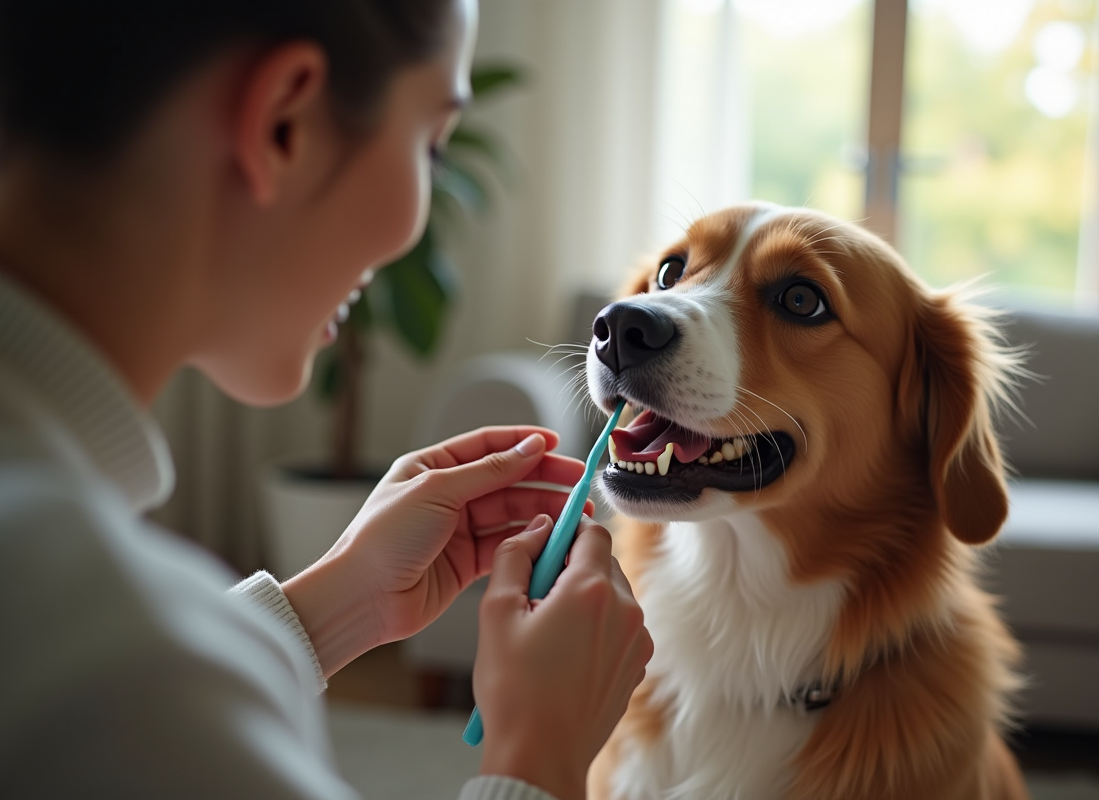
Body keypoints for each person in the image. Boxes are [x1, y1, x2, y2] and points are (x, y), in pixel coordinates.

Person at [0, 1, 652, 798]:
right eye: (433, 147)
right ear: (285, 125)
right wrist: (539, 755)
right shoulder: (124, 674)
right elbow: (134, 695)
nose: (418, 224)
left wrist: (336, 604)